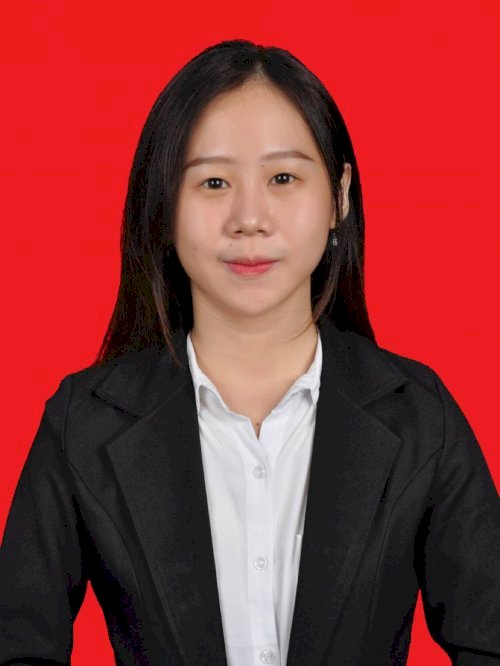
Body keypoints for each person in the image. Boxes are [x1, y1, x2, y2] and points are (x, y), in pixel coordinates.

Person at [1, 38, 499, 666]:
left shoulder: (421, 416)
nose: (249, 218)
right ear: (165, 206)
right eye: (213, 182)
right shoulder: (83, 420)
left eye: (283, 178)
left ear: (339, 196)